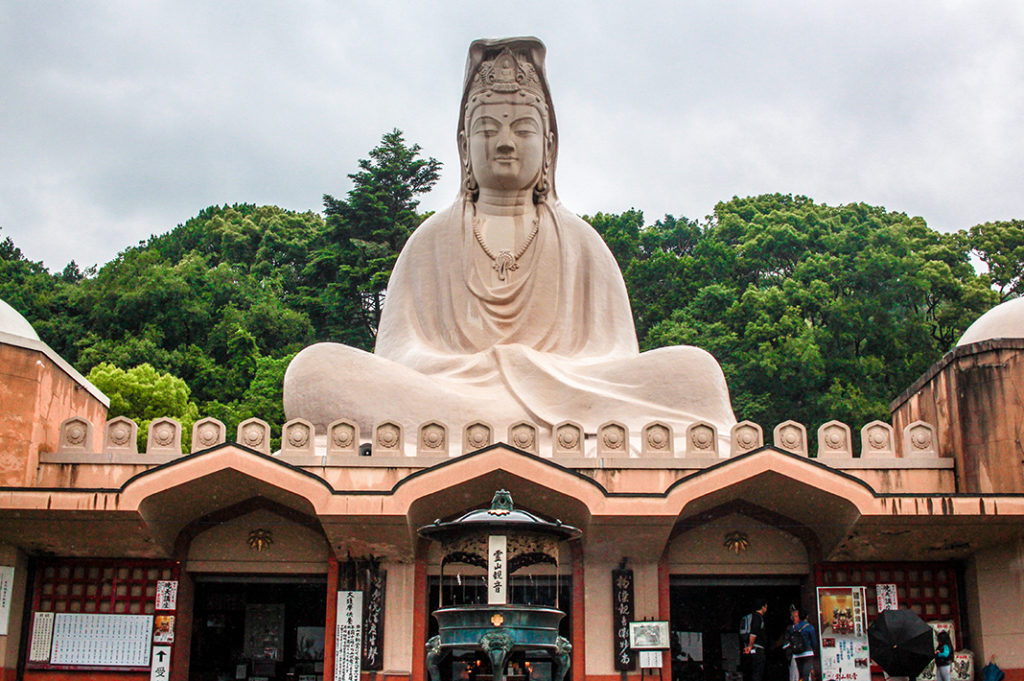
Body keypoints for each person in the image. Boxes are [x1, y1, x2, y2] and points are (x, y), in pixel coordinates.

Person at [283, 37, 736, 450]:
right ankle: (499, 422)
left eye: (522, 129)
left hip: (568, 392)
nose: (504, 143)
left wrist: (529, 369)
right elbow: (399, 357)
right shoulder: (432, 240)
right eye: (486, 130)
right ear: (464, 146)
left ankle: (487, 425)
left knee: (696, 372)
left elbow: (613, 357)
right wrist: (491, 369)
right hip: (455, 392)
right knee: (314, 370)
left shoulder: (580, 241)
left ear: (549, 145)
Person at [783, 607, 817, 681]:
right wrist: (813, 649)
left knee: (800, 675)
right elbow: (814, 641)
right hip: (808, 653)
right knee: (806, 675)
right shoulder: (809, 627)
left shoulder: (792, 628)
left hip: (797, 654)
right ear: (806, 616)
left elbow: (789, 640)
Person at [740, 599, 768, 681]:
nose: (766, 608)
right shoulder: (758, 617)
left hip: (750, 650)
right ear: (762, 607)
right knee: (758, 672)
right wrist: (750, 646)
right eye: (766, 606)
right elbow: (754, 632)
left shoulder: (751, 617)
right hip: (757, 649)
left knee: (751, 672)